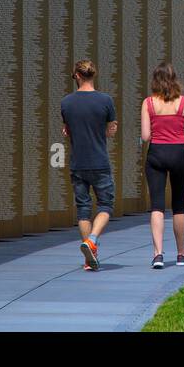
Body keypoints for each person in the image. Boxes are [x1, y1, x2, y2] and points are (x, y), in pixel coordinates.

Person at [60, 59, 118, 272]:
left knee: (83, 210)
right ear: (93, 75)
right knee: (105, 205)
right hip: (99, 161)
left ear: (76, 75)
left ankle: (89, 258)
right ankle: (92, 240)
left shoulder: (66, 103)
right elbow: (111, 131)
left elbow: (67, 130)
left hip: (78, 163)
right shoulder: (106, 100)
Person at [141, 61, 184, 269]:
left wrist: (160, 135)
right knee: (179, 205)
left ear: (155, 80)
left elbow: (146, 136)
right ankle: (181, 254)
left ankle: (158, 255)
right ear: (175, 80)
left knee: (157, 205)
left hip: (156, 154)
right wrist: (177, 136)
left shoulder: (148, 103)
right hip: (179, 153)